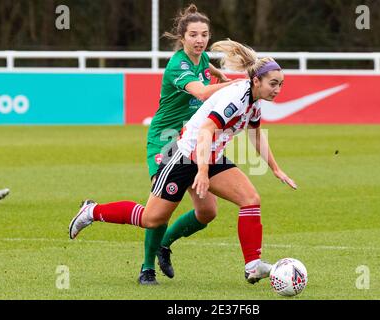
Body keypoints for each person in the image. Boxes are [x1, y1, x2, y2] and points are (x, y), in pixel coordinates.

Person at [69, 38, 298, 285]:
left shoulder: (254, 103)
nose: (277, 89)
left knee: (245, 201)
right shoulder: (236, 98)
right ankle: (92, 211)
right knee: (151, 219)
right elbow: (205, 130)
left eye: (281, 84)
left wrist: (276, 169)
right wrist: (200, 171)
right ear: (256, 81)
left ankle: (253, 265)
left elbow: (254, 133)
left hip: (211, 156)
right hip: (184, 156)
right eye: (273, 83)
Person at [73, 4, 239, 285]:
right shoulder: (177, 64)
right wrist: (234, 84)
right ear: (182, 38)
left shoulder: (201, 58)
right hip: (166, 141)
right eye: (194, 35)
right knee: (159, 213)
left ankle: (165, 245)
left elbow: (204, 67)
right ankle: (142, 264)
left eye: (204, 35)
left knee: (207, 211)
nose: (199, 40)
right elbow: (199, 90)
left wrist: (218, 74)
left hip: (191, 139)